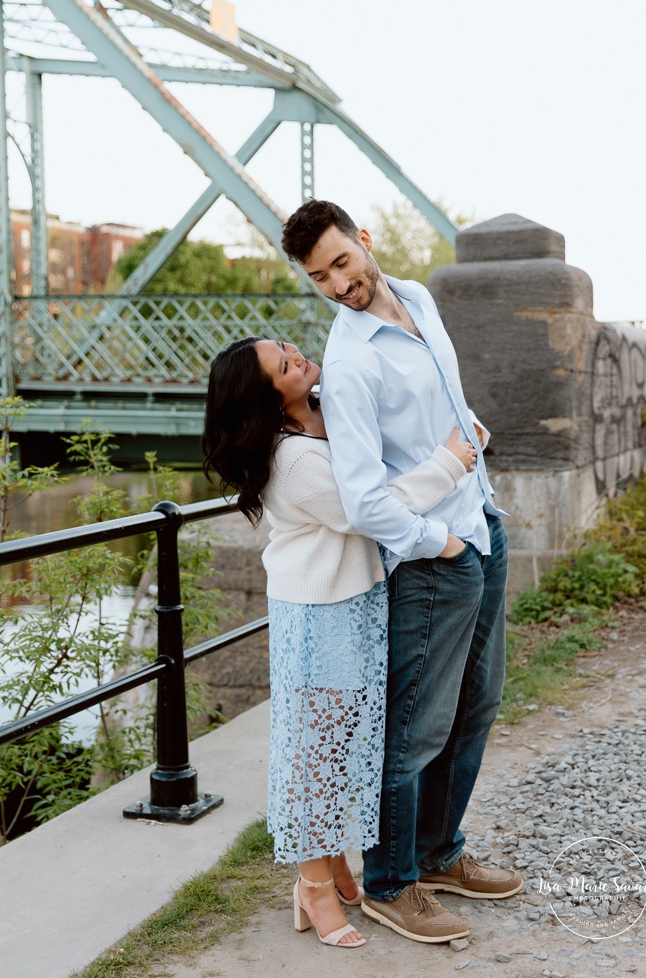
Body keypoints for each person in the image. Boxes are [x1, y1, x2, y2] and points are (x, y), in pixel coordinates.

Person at [280, 201, 523, 945]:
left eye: (341, 264)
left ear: (364, 241)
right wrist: (433, 542)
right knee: (415, 729)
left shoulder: (416, 296)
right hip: (431, 561)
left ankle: (438, 854)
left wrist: (472, 457)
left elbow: (442, 401)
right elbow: (360, 500)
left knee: (475, 707)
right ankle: (389, 882)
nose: (336, 285)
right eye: (319, 277)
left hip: (480, 524)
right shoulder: (350, 363)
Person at [202, 335, 478, 948]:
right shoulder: (293, 458)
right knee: (316, 753)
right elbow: (366, 511)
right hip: (318, 611)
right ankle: (314, 887)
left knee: (348, 740)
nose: (298, 356)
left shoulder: (323, 415)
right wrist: (449, 463)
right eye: (283, 365)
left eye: (288, 348)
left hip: (352, 601)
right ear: (268, 399)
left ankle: (329, 866)